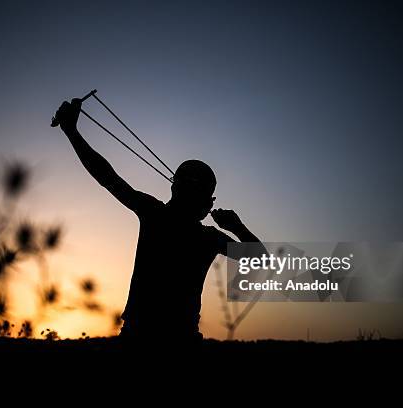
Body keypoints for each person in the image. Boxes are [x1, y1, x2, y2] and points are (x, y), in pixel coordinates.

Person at [53, 98, 264, 342]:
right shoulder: (207, 237)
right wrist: (237, 227)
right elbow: (260, 258)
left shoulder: (155, 214)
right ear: (205, 201)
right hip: (178, 338)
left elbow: (107, 177)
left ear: (175, 189)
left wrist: (71, 131)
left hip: (139, 336)